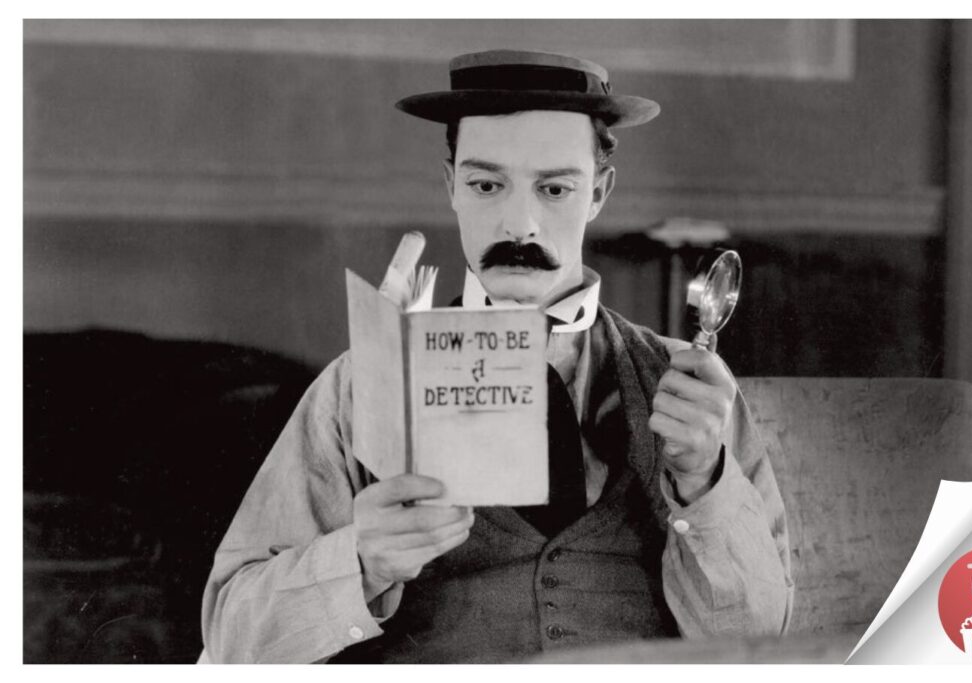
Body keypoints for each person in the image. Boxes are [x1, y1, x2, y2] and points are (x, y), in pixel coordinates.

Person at [201, 49, 793, 664]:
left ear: (599, 192)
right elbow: (234, 638)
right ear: (450, 184)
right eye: (487, 185)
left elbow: (761, 644)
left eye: (556, 188)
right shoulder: (361, 386)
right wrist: (359, 560)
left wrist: (703, 480)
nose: (521, 223)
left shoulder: (688, 388)